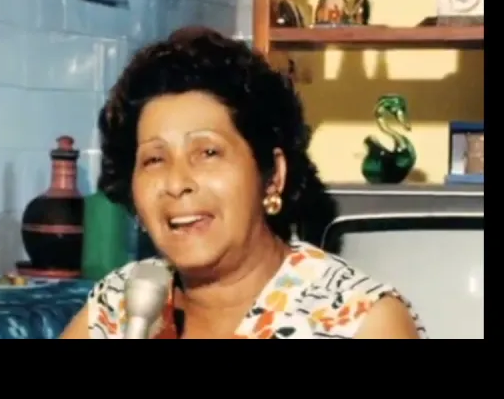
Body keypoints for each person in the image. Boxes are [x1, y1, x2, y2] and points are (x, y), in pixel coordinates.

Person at [61, 27, 427, 339]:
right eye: (154, 159)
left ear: (273, 176)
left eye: (208, 152)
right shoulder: (121, 304)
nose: (177, 182)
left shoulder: (360, 321)